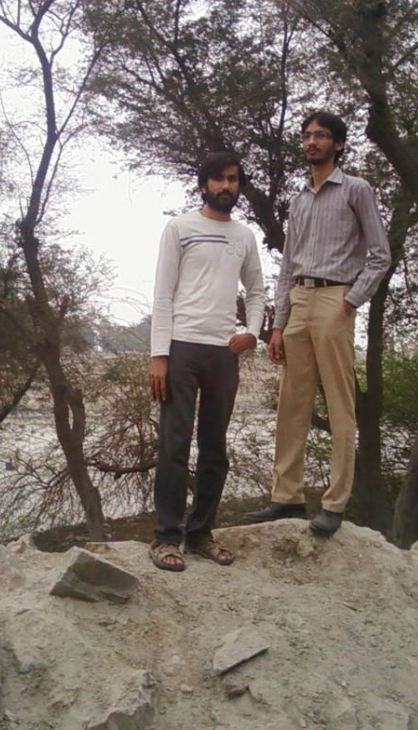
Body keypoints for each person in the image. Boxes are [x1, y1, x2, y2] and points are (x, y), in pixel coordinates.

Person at [244, 111, 391, 536]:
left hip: (335, 298)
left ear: (339, 144)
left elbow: (380, 255)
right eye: (307, 136)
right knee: (292, 404)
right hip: (299, 300)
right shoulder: (299, 199)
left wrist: (350, 301)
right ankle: (286, 497)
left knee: (340, 404)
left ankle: (335, 502)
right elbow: (287, 264)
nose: (312, 142)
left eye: (321, 136)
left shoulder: (356, 190)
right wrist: (277, 323)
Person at [147, 151, 265, 572]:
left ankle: (201, 533)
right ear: (203, 185)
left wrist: (250, 331)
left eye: (232, 179)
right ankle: (165, 537)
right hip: (181, 347)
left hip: (223, 352)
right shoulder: (180, 228)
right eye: (218, 179)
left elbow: (255, 289)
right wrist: (159, 355)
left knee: (214, 448)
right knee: (174, 445)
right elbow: (163, 293)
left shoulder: (244, 236)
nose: (226, 186)